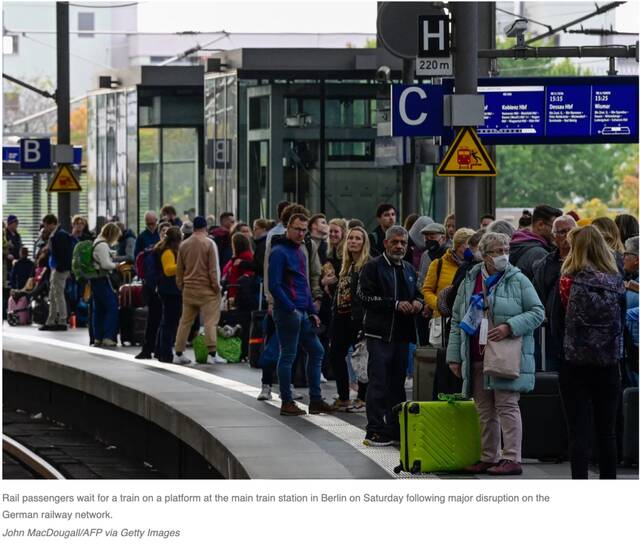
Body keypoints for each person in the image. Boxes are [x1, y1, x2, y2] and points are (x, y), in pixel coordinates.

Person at [447, 232, 545, 475]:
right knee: (484, 408)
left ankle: (512, 458)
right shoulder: (470, 279)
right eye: (497, 251)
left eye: (505, 250)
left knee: (507, 405)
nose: (503, 255)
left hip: (504, 353)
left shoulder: (518, 279)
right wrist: (454, 356)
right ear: (484, 254)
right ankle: (489, 456)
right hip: (476, 353)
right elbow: (458, 319)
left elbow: (537, 312)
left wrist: (509, 326)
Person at [559, 225, 625, 479]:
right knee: (606, 432)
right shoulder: (617, 282)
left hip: (574, 363)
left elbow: (556, 319)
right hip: (609, 362)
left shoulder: (567, 280)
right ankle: (608, 482)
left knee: (578, 432)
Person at [358, 226, 424, 446]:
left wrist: (418, 302)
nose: (399, 246)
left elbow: (418, 294)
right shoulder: (372, 267)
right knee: (378, 383)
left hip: (402, 336)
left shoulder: (407, 268)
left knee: (397, 384)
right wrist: (394, 304)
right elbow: (364, 298)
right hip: (379, 334)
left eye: (403, 243)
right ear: (385, 243)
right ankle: (374, 430)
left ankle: (394, 428)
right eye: (395, 242)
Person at [268, 213, 336, 416]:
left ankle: (315, 399)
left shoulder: (300, 251)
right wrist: (291, 308)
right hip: (289, 311)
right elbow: (274, 284)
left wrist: (311, 311)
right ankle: (287, 401)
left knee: (316, 351)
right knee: (289, 354)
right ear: (287, 228)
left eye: (304, 230)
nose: (300, 233)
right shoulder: (279, 252)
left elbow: (303, 283)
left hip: (299, 311)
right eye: (297, 229)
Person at [172, 217, 226, 365]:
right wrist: (217, 287)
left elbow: (179, 269)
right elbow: (213, 269)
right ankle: (212, 354)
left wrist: (181, 285)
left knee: (185, 322)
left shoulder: (184, 245)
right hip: (207, 290)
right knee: (210, 321)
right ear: (206, 227)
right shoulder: (209, 243)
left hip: (189, 289)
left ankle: (178, 352)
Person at [328, 226, 370, 411]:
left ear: (364, 243)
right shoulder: (345, 265)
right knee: (336, 355)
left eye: (358, 238)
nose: (353, 241)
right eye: (351, 238)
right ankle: (343, 396)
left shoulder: (368, 265)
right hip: (340, 317)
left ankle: (362, 397)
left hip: (358, 318)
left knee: (361, 357)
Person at [532, 215, 577, 371]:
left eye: (571, 231)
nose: (567, 236)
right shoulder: (546, 263)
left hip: (578, 330)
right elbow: (537, 293)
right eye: (562, 232)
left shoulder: (586, 261)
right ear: (554, 236)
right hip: (551, 330)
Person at [422, 228, 475, 346]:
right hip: (443, 320)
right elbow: (427, 290)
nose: (472, 249)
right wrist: (440, 305)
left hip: (467, 319)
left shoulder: (475, 266)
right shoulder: (438, 264)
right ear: (459, 246)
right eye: (469, 244)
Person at [509, 204, 563, 280]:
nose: (557, 233)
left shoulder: (520, 243)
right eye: (555, 228)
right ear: (540, 225)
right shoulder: (540, 254)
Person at [40, 214, 73, 331]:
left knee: (58, 295)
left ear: (51, 224)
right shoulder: (55, 235)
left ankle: (62, 320)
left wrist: (60, 268)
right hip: (55, 268)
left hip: (59, 269)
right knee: (52, 296)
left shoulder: (60, 235)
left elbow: (64, 254)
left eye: (46, 225)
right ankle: (51, 320)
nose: (45, 228)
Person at [154, 227, 183, 363]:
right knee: (169, 323)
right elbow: (168, 270)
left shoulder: (164, 249)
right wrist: (182, 266)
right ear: (176, 240)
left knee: (166, 321)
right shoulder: (167, 252)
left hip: (167, 290)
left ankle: (160, 351)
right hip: (170, 291)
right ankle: (165, 354)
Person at [90, 223, 122, 347]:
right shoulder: (103, 245)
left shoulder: (97, 242)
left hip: (95, 279)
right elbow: (105, 265)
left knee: (98, 309)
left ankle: (98, 337)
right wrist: (117, 266)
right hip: (102, 279)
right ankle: (108, 337)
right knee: (112, 307)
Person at [222, 233, 254, 305]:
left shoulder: (244, 256)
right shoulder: (241, 256)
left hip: (237, 292)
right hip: (235, 290)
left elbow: (247, 275)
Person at [417, 222, 447, 287]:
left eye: (432, 237)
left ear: (443, 239)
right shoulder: (426, 255)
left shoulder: (449, 255)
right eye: (426, 238)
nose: (429, 241)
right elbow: (422, 278)